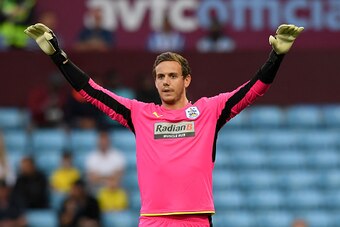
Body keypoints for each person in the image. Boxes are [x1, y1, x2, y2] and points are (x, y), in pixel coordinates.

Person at [24, 22, 303, 226]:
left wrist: (276, 56)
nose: (165, 82)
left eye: (172, 75)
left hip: (196, 219)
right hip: (153, 221)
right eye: (160, 77)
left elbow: (254, 89)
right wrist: (57, 56)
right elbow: (92, 91)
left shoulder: (209, 110)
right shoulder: (139, 114)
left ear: (186, 80)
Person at [85, 130, 126, 194]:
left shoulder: (118, 155)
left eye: (105, 140)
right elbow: (92, 178)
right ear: (98, 142)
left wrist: (100, 177)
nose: (103, 143)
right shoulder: (91, 157)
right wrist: (109, 178)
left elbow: (118, 176)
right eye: (101, 141)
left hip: (113, 190)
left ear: (109, 141)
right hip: (96, 191)